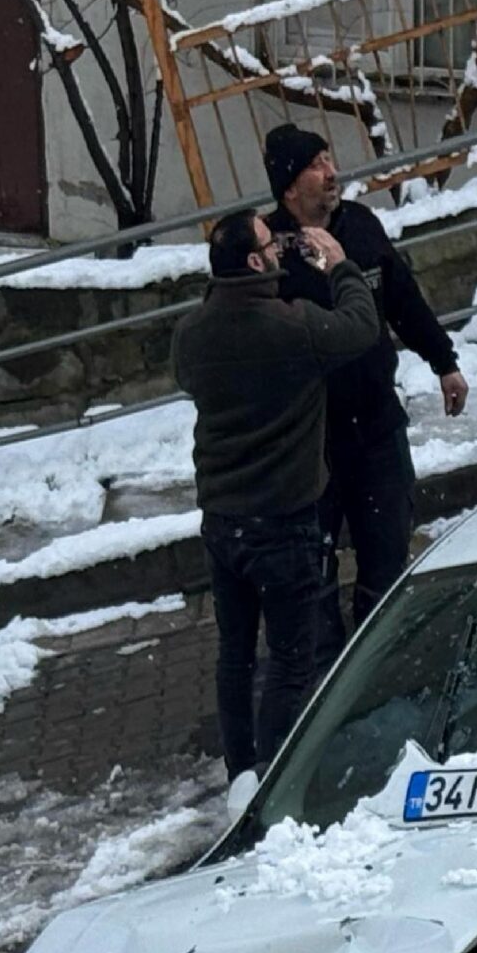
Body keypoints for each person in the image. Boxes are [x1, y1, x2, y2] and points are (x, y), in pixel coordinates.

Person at [172, 207, 380, 800]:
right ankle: (276, 783)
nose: (280, 249)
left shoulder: (193, 333)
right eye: (271, 243)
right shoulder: (290, 328)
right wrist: (340, 268)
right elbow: (359, 327)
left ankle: (241, 772)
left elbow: (188, 376)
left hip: (223, 523)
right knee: (289, 661)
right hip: (284, 524)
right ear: (256, 261)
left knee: (235, 656)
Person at [261, 125, 470, 642]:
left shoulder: (361, 226)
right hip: (310, 443)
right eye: (316, 165)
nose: (332, 174)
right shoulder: (268, 249)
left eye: (329, 159)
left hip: (376, 427)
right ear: (289, 186)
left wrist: (443, 360)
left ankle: (380, 658)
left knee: (387, 558)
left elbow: (402, 299)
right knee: (313, 575)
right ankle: (328, 674)